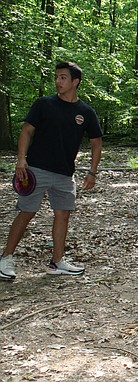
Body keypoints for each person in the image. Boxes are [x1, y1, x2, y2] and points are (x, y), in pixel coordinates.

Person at [0, 61, 102, 281]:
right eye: (56, 77)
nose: (58, 81)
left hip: (65, 174)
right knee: (27, 212)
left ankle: (57, 262)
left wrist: (92, 172)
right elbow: (26, 131)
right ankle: (5, 258)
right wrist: (21, 160)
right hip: (35, 170)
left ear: (75, 82)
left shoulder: (85, 112)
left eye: (63, 77)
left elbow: (96, 143)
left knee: (63, 214)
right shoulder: (44, 104)